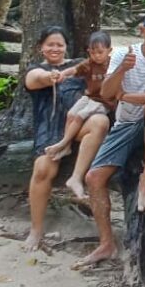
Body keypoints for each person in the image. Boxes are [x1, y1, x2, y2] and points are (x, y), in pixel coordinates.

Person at [76, 9, 145, 267]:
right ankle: (106, 244)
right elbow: (106, 92)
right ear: (142, 30)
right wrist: (121, 71)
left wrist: (126, 97)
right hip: (126, 122)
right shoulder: (124, 54)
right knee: (94, 178)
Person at [23, 26, 110, 250]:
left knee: (100, 121)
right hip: (50, 129)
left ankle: (76, 177)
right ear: (41, 48)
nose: (55, 48)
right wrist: (50, 76)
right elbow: (34, 79)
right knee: (43, 170)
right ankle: (36, 230)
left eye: (59, 44)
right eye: (50, 44)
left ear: (66, 47)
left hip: (78, 124)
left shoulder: (81, 65)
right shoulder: (35, 70)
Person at [43, 31, 115, 199]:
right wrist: (62, 74)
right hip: (89, 97)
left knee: (80, 115)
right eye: (93, 52)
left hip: (104, 101)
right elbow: (74, 70)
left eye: (100, 52)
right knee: (72, 114)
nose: (97, 56)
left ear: (109, 50)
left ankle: (63, 143)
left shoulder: (113, 65)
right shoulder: (89, 64)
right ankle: (67, 146)